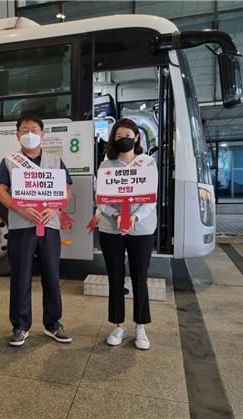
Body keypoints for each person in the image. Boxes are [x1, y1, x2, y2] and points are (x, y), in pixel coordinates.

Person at [0, 115, 73, 346]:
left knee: (51, 274)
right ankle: (20, 325)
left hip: (49, 226)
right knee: (21, 276)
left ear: (43, 134)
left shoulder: (55, 159)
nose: (30, 133)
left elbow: (67, 189)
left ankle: (53, 323)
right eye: (25, 129)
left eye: (34, 129)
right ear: (17, 134)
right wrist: (22, 210)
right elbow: (1, 193)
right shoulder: (9, 161)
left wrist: (55, 208)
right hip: (21, 227)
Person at [97, 118, 157, 350]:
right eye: (119, 136)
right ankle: (118, 325)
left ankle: (140, 326)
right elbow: (101, 199)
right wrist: (115, 215)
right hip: (111, 229)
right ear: (113, 139)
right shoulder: (106, 166)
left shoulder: (148, 163)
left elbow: (151, 198)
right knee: (115, 277)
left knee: (140, 278)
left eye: (128, 135)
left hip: (140, 229)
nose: (124, 139)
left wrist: (133, 217)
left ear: (137, 137)